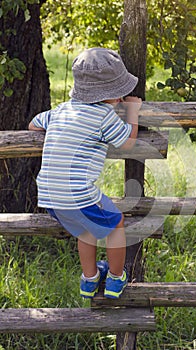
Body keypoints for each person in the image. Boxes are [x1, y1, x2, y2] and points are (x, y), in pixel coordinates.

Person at [29, 47, 142, 299]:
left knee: (86, 230)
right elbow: (127, 142)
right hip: (77, 194)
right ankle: (115, 278)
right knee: (116, 223)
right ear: (113, 94)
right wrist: (132, 112)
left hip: (48, 195)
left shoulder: (60, 111)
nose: (122, 99)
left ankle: (89, 280)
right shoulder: (103, 116)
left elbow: (33, 124)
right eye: (120, 94)